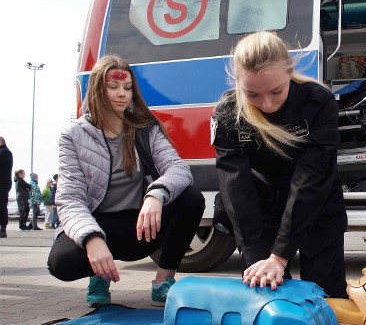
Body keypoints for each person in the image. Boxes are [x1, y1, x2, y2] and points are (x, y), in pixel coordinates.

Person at [47, 54, 205, 307]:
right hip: (98, 224)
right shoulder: (73, 135)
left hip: (139, 226)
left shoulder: (145, 127)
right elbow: (70, 198)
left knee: (191, 198)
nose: (122, 93)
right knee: (61, 263)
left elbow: (178, 169)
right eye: (113, 87)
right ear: (99, 89)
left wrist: (156, 194)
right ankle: (98, 276)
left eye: (128, 87)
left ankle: (163, 282)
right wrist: (91, 238)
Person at [213, 31, 348, 298]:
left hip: (316, 203)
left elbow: (312, 177)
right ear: (239, 82)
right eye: (252, 94)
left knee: (327, 296)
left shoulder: (318, 102)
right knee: (267, 295)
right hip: (260, 207)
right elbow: (235, 185)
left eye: (276, 91)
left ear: (290, 72)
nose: (267, 104)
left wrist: (280, 255)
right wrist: (256, 255)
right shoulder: (228, 112)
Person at [0, 137, 12, 238]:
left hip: (2, 185)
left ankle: (3, 229)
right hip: (3, 184)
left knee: (2, 207)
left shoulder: (4, 152)